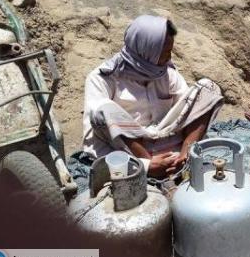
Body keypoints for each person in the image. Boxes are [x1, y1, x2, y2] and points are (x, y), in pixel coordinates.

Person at [82, 15, 223, 178]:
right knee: (103, 109)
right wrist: (146, 165)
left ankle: (186, 157)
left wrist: (187, 148)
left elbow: (188, 110)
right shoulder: (102, 77)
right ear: (147, 51)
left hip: (169, 139)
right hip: (128, 149)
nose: (169, 57)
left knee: (208, 88)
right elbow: (93, 134)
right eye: (165, 52)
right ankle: (151, 166)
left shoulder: (166, 71)